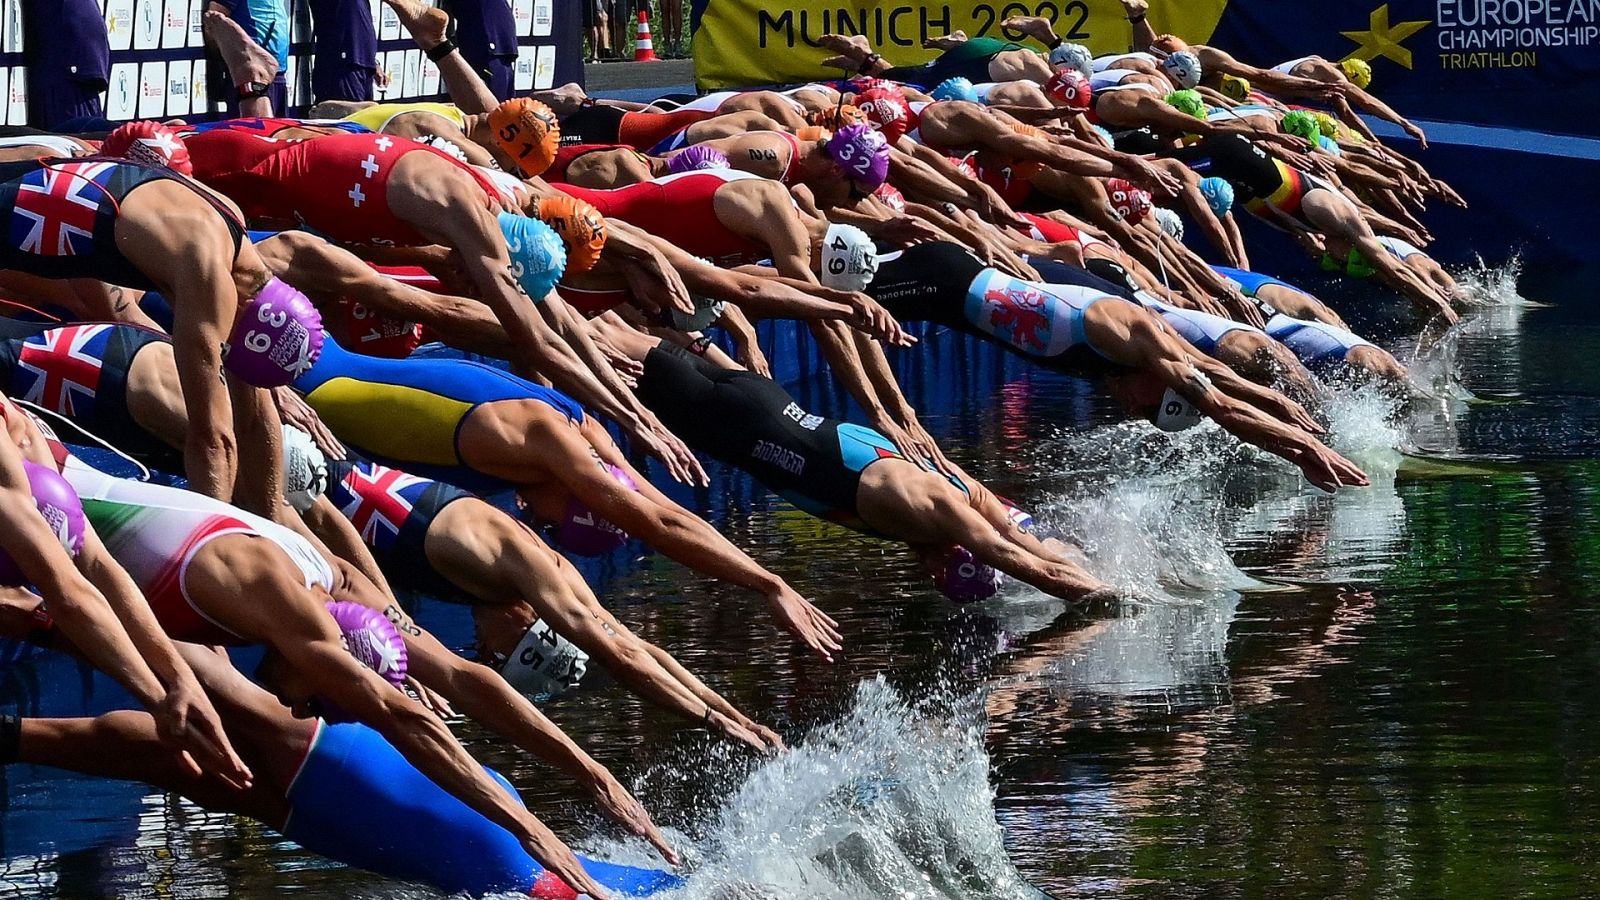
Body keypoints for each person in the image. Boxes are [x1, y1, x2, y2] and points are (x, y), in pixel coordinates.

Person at [179, 124, 706, 483]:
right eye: (484, 285)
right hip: (227, 171)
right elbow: (536, 339)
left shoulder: (493, 216)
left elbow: (558, 323)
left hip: (284, 190)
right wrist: (634, 422)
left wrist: (637, 409)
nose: (476, 292)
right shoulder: (465, 216)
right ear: (490, 264)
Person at [0, 623, 683, 898]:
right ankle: (55, 614)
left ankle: (19, 715)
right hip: (399, 804)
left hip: (400, 829)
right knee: (217, 709)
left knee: (180, 764)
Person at [287, 333, 844, 659]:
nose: (536, 522)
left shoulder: (591, 437)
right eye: (555, 526)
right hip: (292, 372)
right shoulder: (549, 445)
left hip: (319, 356)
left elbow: (664, 512)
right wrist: (768, 584)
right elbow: (660, 527)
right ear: (581, 497)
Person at [599, 321, 1109, 603]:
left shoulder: (963, 491)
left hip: (762, 400)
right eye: (943, 576)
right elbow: (1020, 562)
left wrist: (1094, 568)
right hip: (732, 423)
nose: (930, 577)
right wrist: (1105, 600)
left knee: (613, 326)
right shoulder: (930, 508)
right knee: (596, 343)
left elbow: (1024, 539)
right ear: (954, 553)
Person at [855, 241, 1370, 491]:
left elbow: (1227, 385)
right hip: (940, 281)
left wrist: (1281, 404)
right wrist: (1303, 450)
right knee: (818, 293)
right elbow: (1220, 405)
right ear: (1161, 385)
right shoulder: (1137, 340)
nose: (1132, 410)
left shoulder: (1152, 359)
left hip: (954, 287)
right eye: (1150, 410)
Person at [0, 152, 316, 503]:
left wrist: (270, 512)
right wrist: (211, 536)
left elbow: (254, 415)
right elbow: (213, 438)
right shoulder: (208, 283)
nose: (228, 352)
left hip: (37, 176)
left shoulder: (228, 221)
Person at [0, 393, 253, 792]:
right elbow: (69, 592)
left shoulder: (21, 443)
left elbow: (92, 566)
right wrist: (160, 698)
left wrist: (176, 680)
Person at [308, 0, 379, 103]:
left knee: (364, 117)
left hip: (363, 62)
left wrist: (372, 60)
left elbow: (357, 15)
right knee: (346, 116)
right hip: (341, 64)